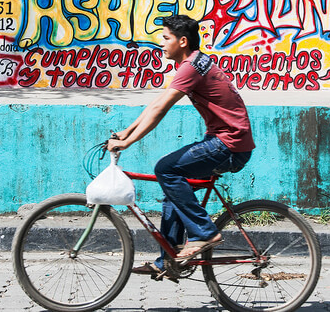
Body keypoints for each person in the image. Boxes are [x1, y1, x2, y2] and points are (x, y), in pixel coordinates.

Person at [106, 14, 255, 277]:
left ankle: (204, 232)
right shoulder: (194, 63)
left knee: (166, 169)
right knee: (174, 187)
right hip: (226, 140)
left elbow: (161, 110)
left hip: (229, 143)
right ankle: (169, 261)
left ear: (182, 41)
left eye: (166, 38)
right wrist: (126, 131)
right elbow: (156, 103)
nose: (161, 44)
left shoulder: (191, 67)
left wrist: (129, 142)